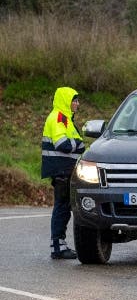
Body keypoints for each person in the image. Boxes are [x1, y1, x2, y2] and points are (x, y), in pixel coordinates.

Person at [41, 87, 84, 259]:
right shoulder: (59, 118)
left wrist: (76, 143)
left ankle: (59, 245)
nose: (77, 104)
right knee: (62, 207)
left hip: (64, 170)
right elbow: (63, 145)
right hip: (61, 170)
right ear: (67, 101)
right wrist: (79, 144)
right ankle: (58, 247)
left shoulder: (65, 118)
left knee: (64, 207)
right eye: (75, 100)